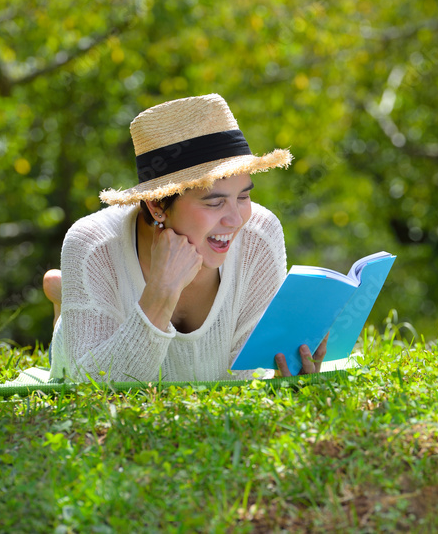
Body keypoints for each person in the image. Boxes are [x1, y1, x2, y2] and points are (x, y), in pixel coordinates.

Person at [44, 93, 327, 382]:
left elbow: (245, 376)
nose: (236, 219)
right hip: (80, 350)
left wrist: (287, 370)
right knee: (66, 348)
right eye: (214, 203)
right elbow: (91, 384)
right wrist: (160, 293)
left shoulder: (260, 233)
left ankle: (65, 293)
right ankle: (64, 305)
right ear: (157, 206)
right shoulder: (94, 245)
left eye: (243, 195)